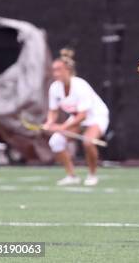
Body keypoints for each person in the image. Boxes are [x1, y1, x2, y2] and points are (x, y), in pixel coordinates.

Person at [45, 49, 109, 186]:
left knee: (88, 142)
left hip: (95, 116)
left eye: (59, 70)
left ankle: (92, 175)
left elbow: (83, 115)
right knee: (56, 142)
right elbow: (53, 110)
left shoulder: (80, 86)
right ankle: (71, 176)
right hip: (76, 118)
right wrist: (50, 122)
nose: (55, 73)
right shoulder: (54, 88)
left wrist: (62, 127)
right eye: (54, 70)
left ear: (67, 70)